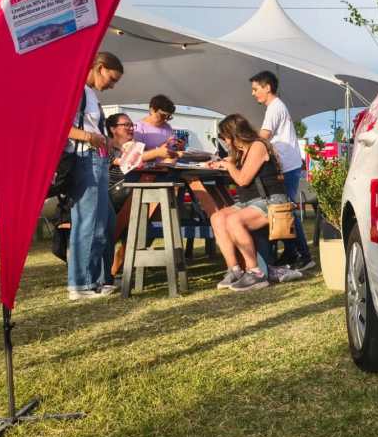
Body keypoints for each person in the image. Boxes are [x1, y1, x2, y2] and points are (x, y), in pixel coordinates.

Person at [207, 114, 301, 291]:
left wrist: (229, 166)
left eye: (224, 137)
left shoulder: (258, 146)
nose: (225, 141)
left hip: (271, 201)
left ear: (234, 134)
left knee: (234, 220)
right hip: (250, 202)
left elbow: (242, 180)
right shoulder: (242, 152)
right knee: (217, 218)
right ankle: (234, 270)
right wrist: (223, 163)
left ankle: (255, 272)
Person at [65, 52, 122, 300]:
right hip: (85, 159)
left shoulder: (89, 94)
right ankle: (81, 284)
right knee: (89, 222)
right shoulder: (75, 88)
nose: (111, 85)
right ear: (99, 67)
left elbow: (89, 127)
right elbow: (58, 125)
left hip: (96, 158)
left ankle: (100, 278)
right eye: (111, 78)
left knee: (106, 222)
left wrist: (110, 142)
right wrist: (91, 137)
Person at [250, 71, 314, 271]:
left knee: (286, 212)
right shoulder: (276, 107)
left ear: (267, 87)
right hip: (288, 165)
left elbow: (263, 138)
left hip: (287, 166)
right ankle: (291, 252)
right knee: (283, 211)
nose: (253, 94)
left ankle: (304, 256)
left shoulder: (274, 108)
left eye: (255, 89)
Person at [104, 113, 178, 277]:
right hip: (112, 197)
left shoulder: (135, 146)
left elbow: (142, 162)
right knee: (150, 202)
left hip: (132, 195)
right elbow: (126, 161)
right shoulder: (106, 147)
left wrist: (169, 154)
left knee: (157, 205)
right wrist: (157, 152)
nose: (131, 128)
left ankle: (126, 258)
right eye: (126, 125)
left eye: (132, 125)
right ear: (113, 129)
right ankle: (118, 262)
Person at [132, 94, 185, 163]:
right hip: (150, 171)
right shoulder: (138, 128)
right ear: (152, 110)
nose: (165, 119)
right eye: (162, 115)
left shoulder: (167, 127)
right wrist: (158, 152)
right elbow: (135, 157)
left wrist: (180, 147)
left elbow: (174, 150)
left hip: (168, 168)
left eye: (168, 117)